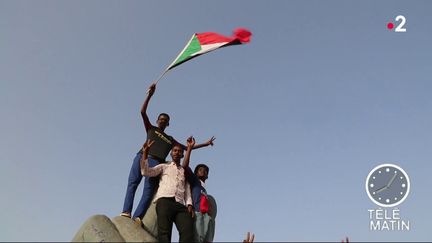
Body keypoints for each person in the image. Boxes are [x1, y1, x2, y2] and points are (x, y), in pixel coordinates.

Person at [121, 83, 215, 222]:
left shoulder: (170, 139)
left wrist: (205, 144)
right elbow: (142, 112)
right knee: (132, 183)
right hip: (142, 156)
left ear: (168, 124)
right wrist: (150, 95)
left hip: (156, 162)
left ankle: (137, 217)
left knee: (148, 191)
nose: (163, 121)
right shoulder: (151, 129)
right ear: (157, 120)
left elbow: (186, 147)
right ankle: (126, 211)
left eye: (166, 120)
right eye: (161, 119)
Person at [140, 139, 194, 242]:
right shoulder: (164, 167)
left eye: (179, 151)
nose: (177, 152)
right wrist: (145, 153)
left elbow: (187, 190)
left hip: (180, 204)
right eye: (175, 150)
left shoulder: (184, 171)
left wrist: (189, 204)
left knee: (187, 231)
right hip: (164, 201)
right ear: (171, 153)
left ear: (182, 155)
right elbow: (145, 172)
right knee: (164, 233)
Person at [182, 137, 215, 242]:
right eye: (200, 170)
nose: (203, 171)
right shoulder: (195, 180)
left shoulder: (204, 188)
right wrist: (189, 149)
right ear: (196, 173)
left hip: (206, 216)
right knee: (198, 238)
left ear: (207, 176)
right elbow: (185, 165)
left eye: (205, 171)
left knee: (207, 239)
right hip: (197, 213)